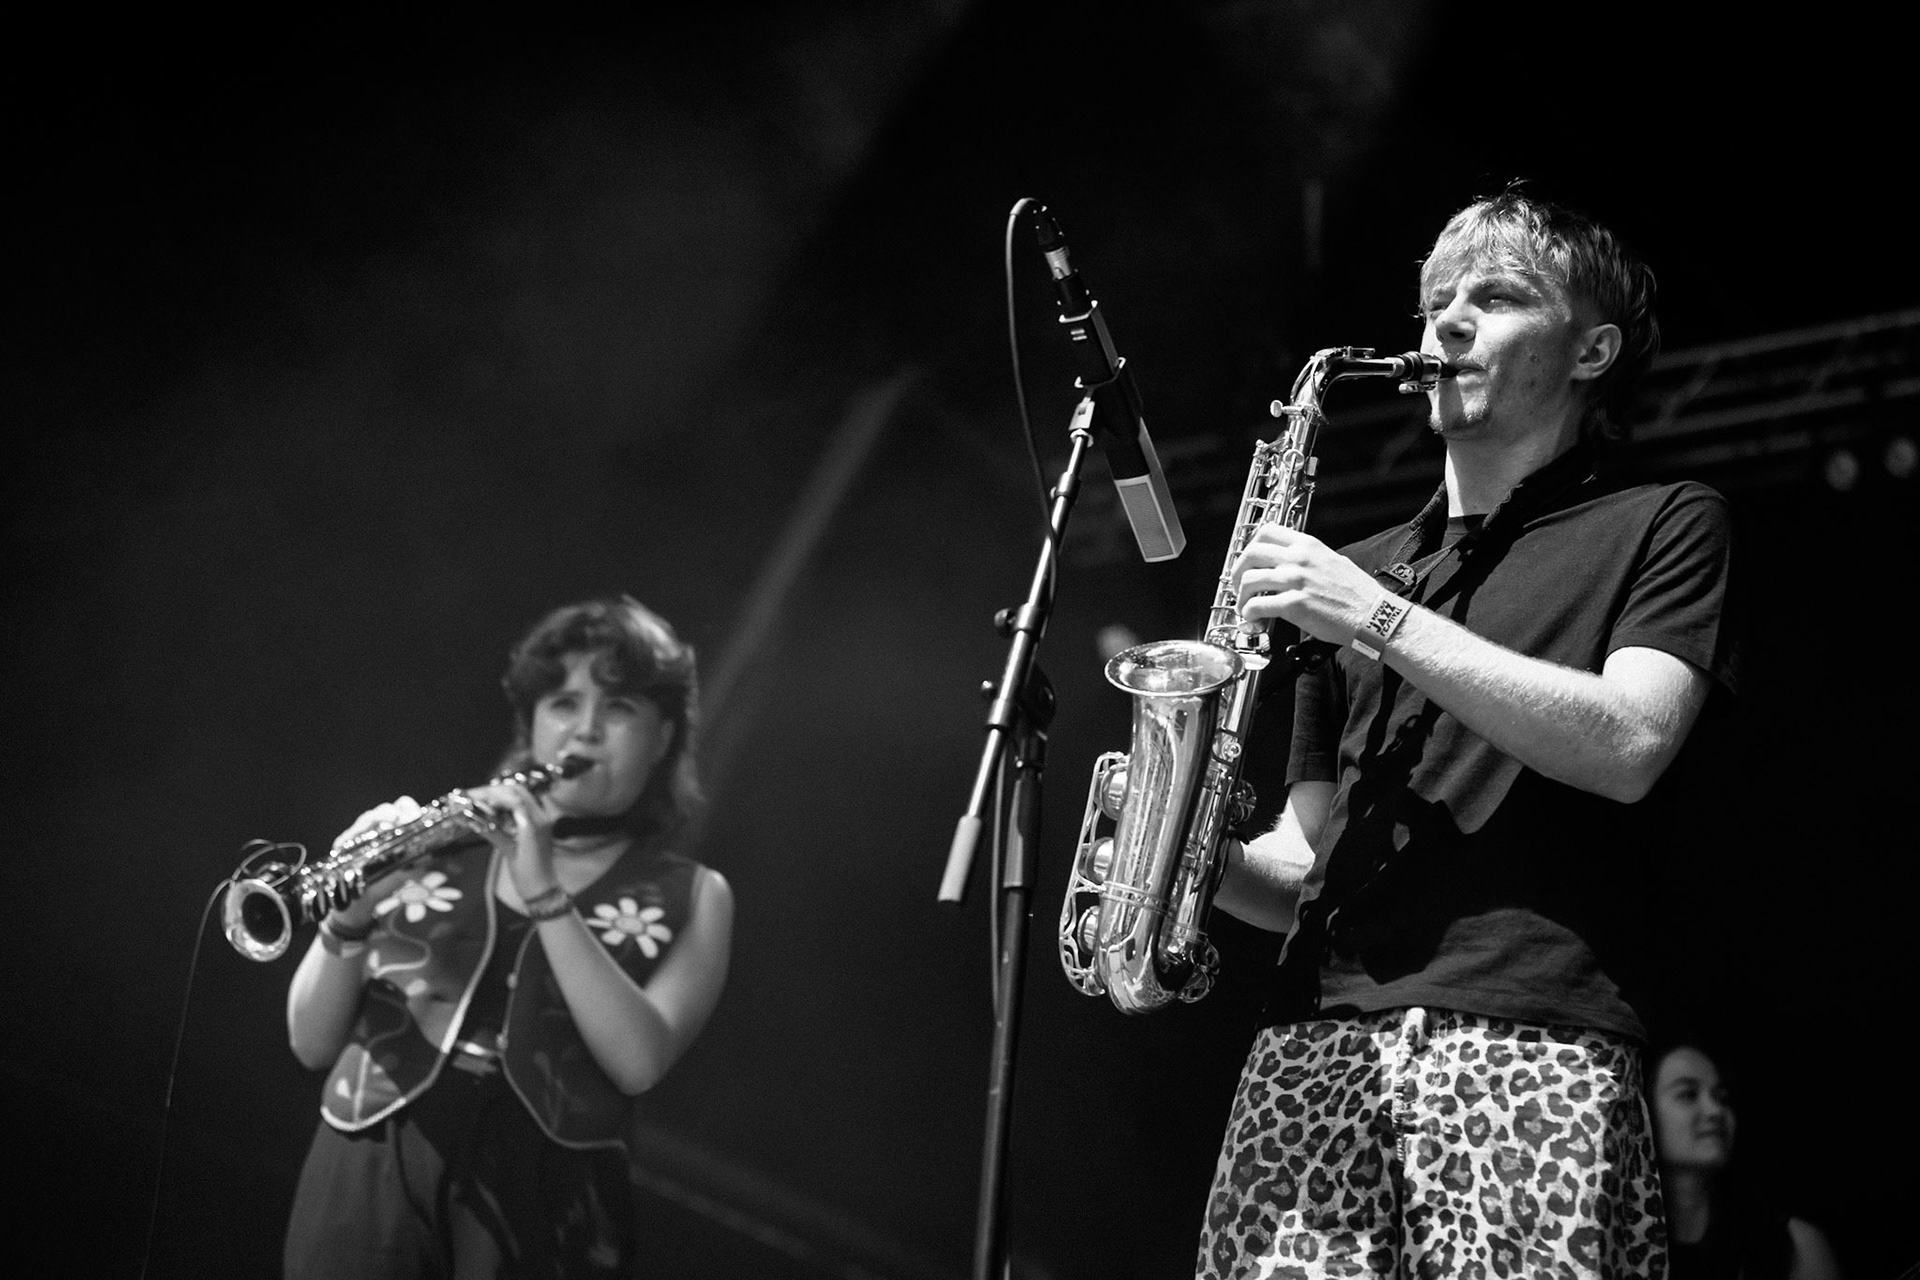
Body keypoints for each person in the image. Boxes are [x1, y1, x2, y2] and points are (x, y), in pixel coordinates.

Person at [1194, 188, 1739, 1278]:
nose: (1447, 322)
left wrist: (1380, 619)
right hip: (1310, 1046)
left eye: (1495, 297)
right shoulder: (1354, 572)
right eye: (1438, 300)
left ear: (1591, 350)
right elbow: (1307, 863)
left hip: (1532, 1040)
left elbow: (1632, 742)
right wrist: (1187, 854)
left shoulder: (1664, 520)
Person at [280, 596, 733, 1279]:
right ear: (530, 724)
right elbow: (311, 1042)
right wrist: (348, 916)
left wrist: (546, 891)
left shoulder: (695, 892)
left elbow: (639, 1060)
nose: (584, 731)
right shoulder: (442, 843)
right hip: (369, 1161)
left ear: (664, 736)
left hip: (551, 1200)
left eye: (618, 708)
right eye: (561, 704)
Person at [1652, 1042, 1843, 1280]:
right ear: (1643, 1109)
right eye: (1689, 1094)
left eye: (1723, 1097)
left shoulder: (1795, 1246)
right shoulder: (1616, 1246)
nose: (1715, 1110)